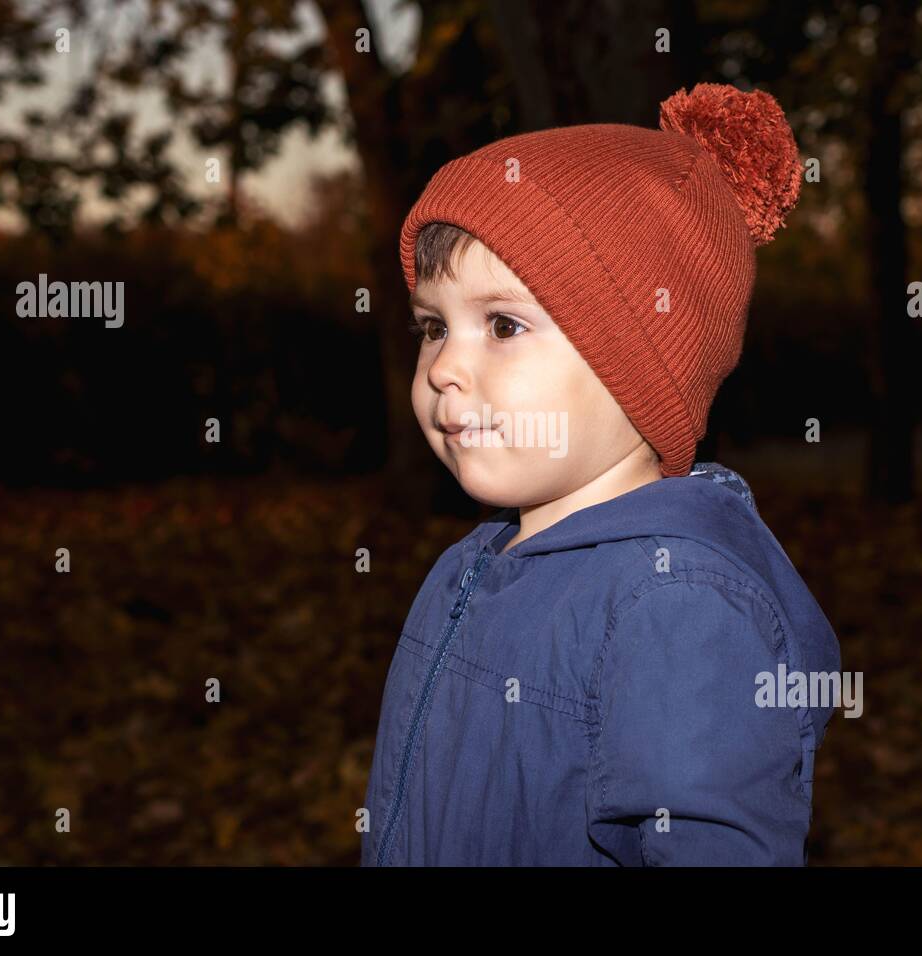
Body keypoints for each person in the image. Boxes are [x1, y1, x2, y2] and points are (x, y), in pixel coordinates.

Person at [360, 82, 842, 866]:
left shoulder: (675, 607)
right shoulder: (468, 570)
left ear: (640, 368)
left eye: (504, 325)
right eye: (432, 326)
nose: (445, 365)